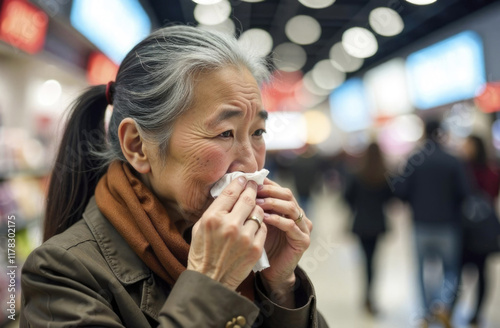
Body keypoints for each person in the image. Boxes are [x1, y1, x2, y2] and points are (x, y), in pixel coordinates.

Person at [20, 25, 328, 328]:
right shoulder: (61, 275)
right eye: (225, 133)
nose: (250, 163)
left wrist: (281, 287)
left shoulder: (245, 253)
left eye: (258, 132)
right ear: (137, 146)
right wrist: (211, 284)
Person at [392, 120, 469, 328]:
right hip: (448, 225)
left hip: (421, 225)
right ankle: (443, 305)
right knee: (451, 269)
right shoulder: (453, 160)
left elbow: (400, 190)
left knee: (422, 270)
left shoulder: (415, 159)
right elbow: (465, 192)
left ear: (424, 133)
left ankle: (426, 313)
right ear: (442, 134)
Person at [343, 142, 393, 316]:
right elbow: (391, 199)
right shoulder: (384, 176)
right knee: (374, 260)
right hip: (378, 223)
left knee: (366, 260)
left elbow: (347, 197)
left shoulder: (357, 174)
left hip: (361, 223)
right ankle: (370, 296)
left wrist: (357, 207)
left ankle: (366, 296)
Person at [456, 135, 500, 327]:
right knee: (470, 272)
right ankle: (464, 310)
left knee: (476, 272)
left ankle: (474, 311)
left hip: (474, 230)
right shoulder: (489, 171)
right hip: (475, 230)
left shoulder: (465, 171)